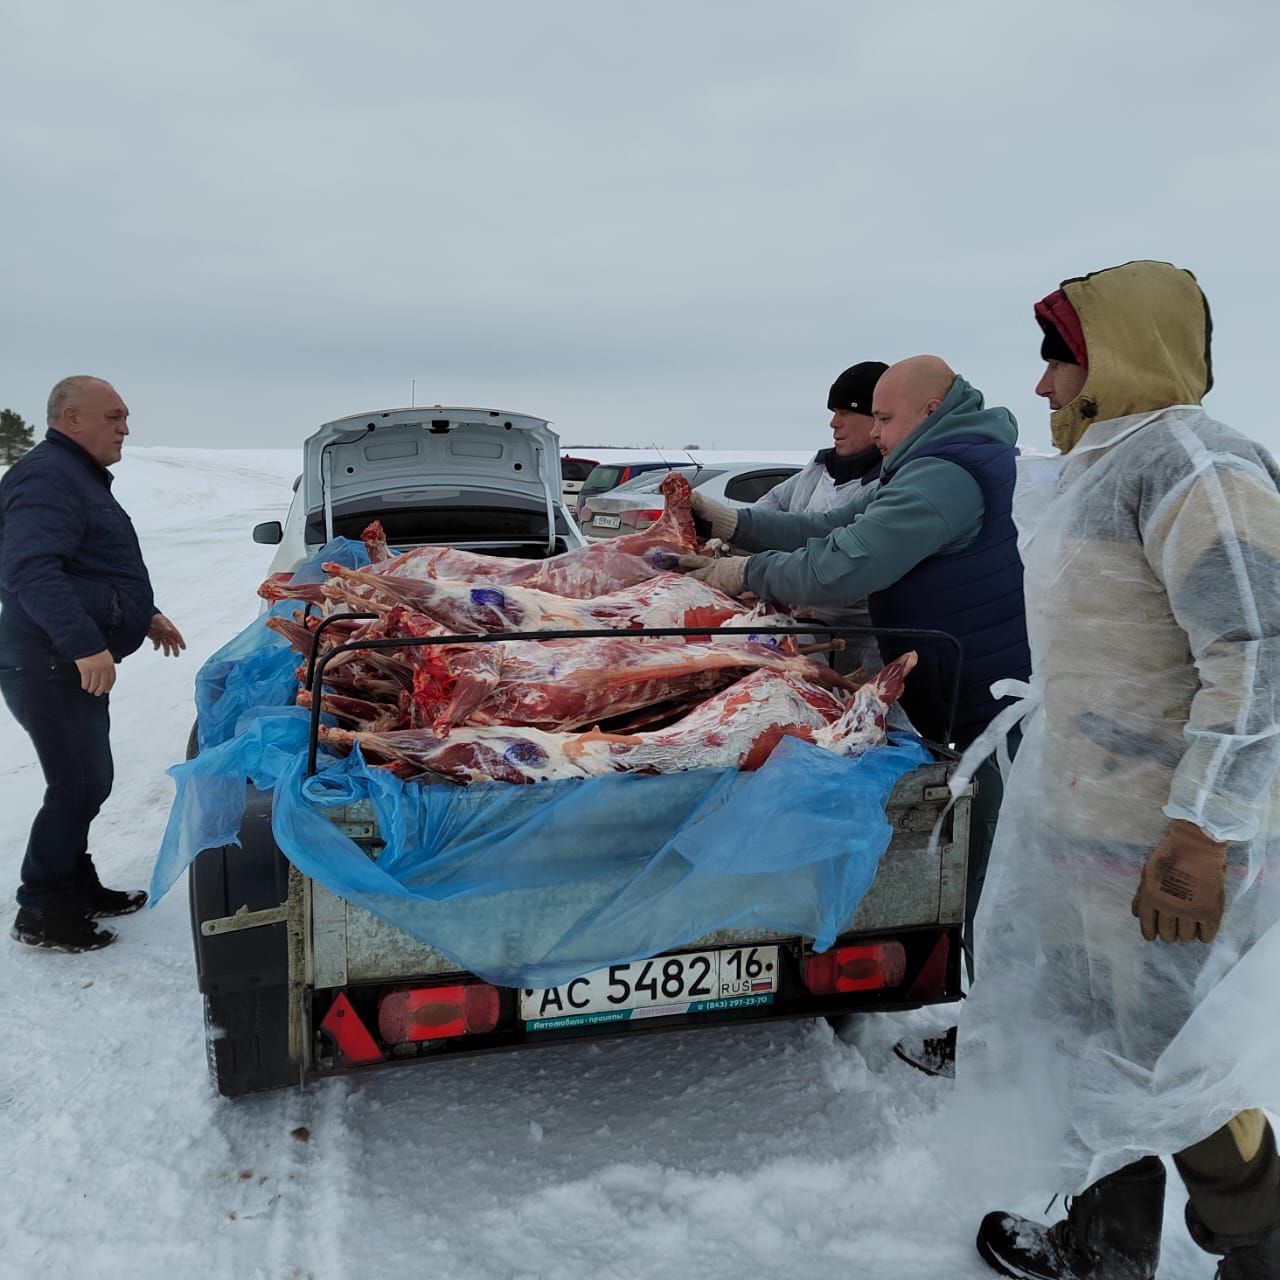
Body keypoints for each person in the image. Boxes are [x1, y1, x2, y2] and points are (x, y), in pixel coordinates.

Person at [956, 261, 1280, 1280]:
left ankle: (1262, 1244)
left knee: (1174, 1064)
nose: (1043, 382)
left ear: (1116, 356)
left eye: (1060, 356)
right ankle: (1103, 1246)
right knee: (1088, 1042)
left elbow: (1258, 650)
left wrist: (1199, 830)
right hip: (1083, 820)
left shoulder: (1193, 464)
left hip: (1162, 833)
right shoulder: (1103, 466)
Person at [678, 355, 1032, 1066]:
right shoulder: (926, 461)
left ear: (929, 410)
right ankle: (999, 1026)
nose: (875, 434)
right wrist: (736, 522)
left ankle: (1005, 1046)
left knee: (996, 883)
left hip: (984, 708)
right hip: (952, 700)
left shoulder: (946, 475)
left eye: (887, 418)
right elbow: (831, 526)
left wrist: (738, 572)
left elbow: (845, 563)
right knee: (978, 871)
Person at [0, 376, 186, 952]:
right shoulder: (47, 477)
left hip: (60, 660)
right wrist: (85, 644)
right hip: (48, 661)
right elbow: (29, 570)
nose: (125, 428)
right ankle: (43, 908)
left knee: (87, 781)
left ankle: (75, 884)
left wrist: (144, 613)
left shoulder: (75, 476)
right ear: (71, 417)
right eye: (115, 416)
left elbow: (90, 564)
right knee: (77, 784)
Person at [750, 360, 888, 676]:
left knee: (867, 710)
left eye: (844, 412)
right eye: (832, 412)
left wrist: (755, 572)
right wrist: (730, 528)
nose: (833, 423)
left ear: (875, 419)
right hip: (809, 619)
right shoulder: (820, 467)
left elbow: (840, 548)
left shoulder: (891, 481)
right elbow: (772, 504)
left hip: (869, 633)